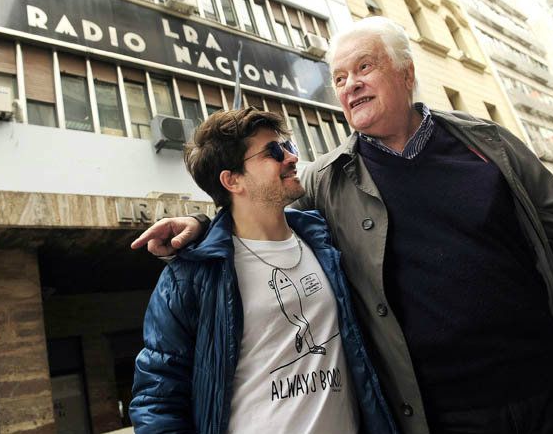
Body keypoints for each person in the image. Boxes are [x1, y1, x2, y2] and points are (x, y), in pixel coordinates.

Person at [131, 17, 553, 434]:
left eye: (364, 67)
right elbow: (254, 198)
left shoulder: (493, 145)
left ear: (406, 73)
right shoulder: (329, 178)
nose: (350, 85)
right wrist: (199, 224)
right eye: (340, 77)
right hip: (444, 416)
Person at [129, 107, 396, 434]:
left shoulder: (325, 239)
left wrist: (200, 222)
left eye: (289, 147)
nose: (290, 157)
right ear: (232, 180)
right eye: (273, 151)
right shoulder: (190, 276)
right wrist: (203, 227)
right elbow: (157, 397)